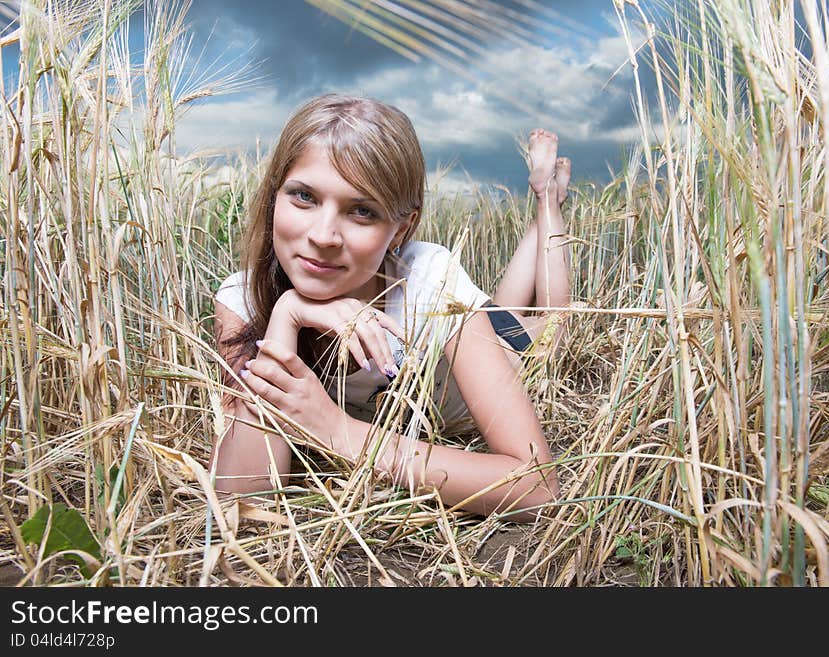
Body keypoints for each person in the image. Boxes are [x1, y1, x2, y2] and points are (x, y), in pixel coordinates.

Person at [210, 94, 571, 521]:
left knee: (555, 318)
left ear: (403, 227)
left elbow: (536, 489)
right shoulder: (243, 300)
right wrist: (288, 314)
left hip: (507, 347)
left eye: (361, 211)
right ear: (274, 198)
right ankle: (542, 207)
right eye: (304, 196)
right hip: (467, 321)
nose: (323, 235)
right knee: (500, 304)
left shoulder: (428, 280)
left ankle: (547, 197)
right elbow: (243, 499)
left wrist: (337, 431)